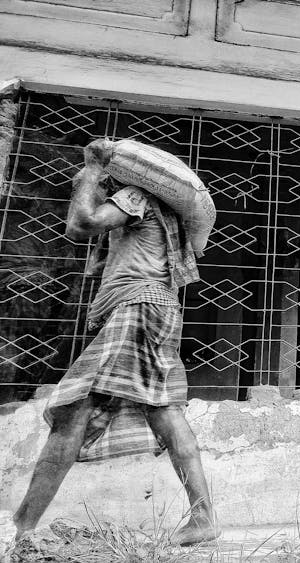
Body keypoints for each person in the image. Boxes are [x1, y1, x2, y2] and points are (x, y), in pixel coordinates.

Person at [12, 145, 219, 546]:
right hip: (155, 309)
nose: (89, 187)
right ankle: (204, 518)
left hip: (138, 308)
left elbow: (80, 224)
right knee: (163, 411)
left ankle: (20, 525)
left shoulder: (134, 197)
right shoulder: (163, 211)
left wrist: (89, 172)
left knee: (75, 408)